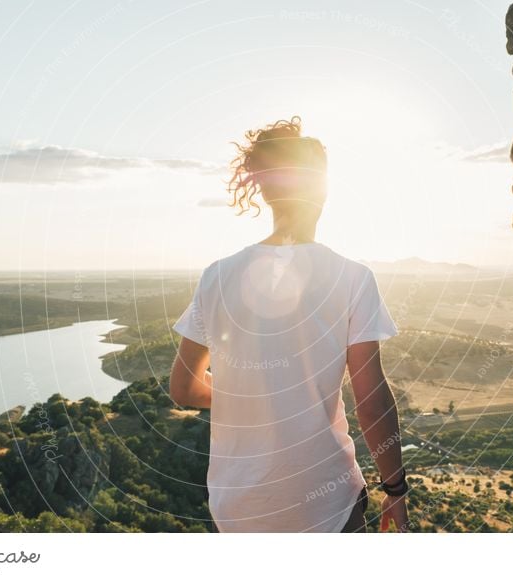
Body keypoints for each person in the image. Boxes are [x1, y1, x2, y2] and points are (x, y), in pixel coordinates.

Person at [169, 115, 408, 533]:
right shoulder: (351, 277)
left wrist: (254, 398)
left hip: (239, 508)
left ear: (264, 188)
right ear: (322, 189)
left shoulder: (217, 276)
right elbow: (370, 399)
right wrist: (396, 488)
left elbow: (184, 388)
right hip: (327, 503)